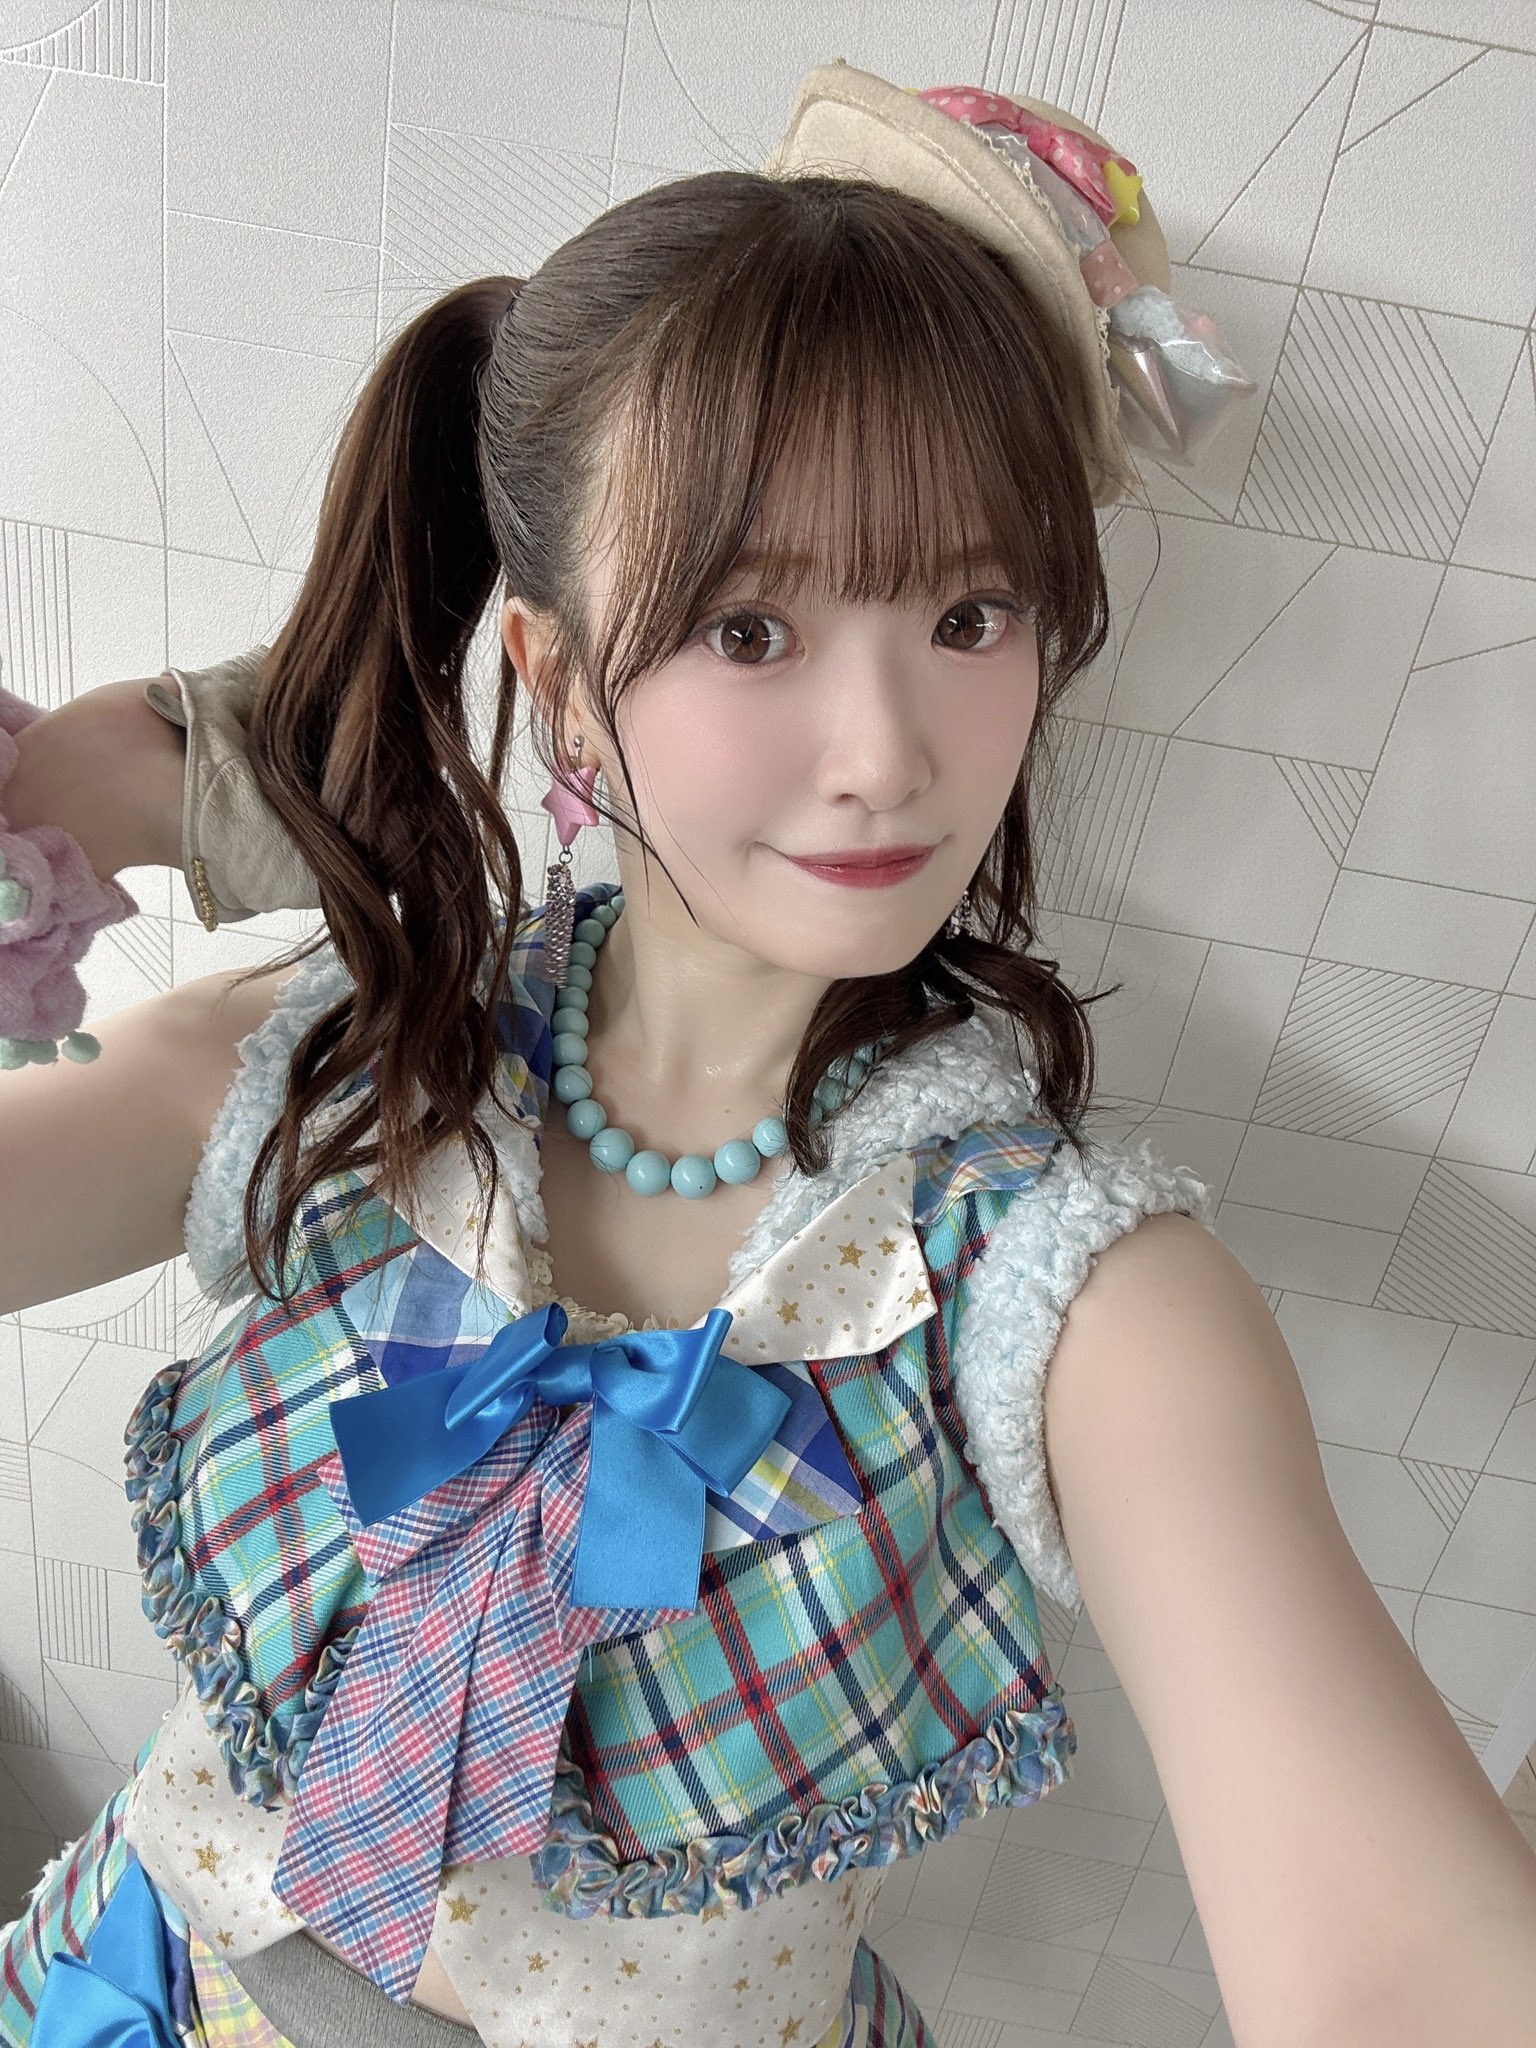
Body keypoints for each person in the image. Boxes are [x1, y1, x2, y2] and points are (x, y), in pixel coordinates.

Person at [5, 56, 1533, 2048]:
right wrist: (63, 813)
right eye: (750, 630)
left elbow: (1405, 1976)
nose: (890, 753)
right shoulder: (349, 1064)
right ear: (557, 677)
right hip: (127, 1989)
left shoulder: (1069, 1300)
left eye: (970, 613)